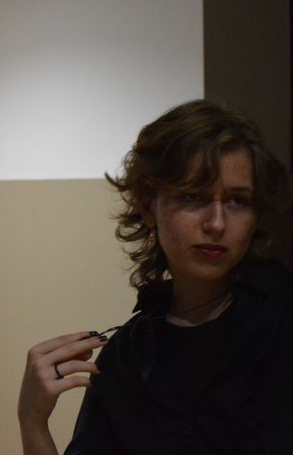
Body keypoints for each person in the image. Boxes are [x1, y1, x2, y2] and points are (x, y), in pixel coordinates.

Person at [17, 99, 293, 454]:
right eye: (193, 197)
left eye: (237, 201)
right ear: (148, 207)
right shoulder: (127, 355)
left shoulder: (281, 321)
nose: (217, 223)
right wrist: (32, 421)